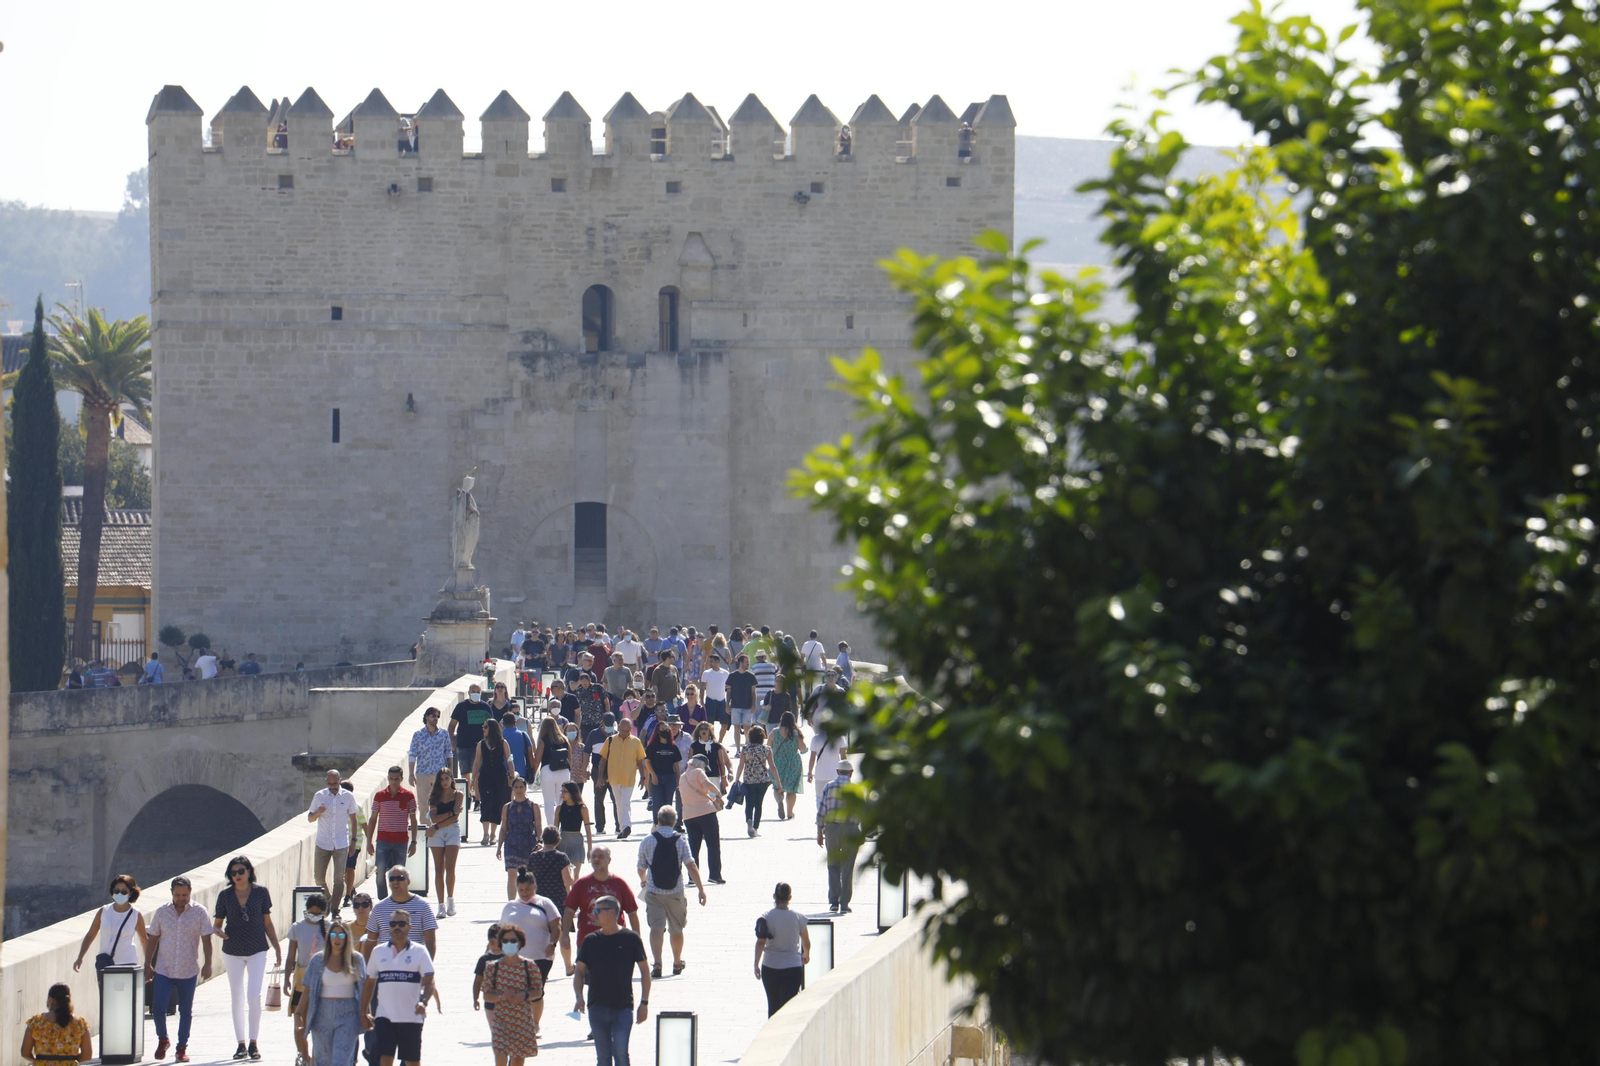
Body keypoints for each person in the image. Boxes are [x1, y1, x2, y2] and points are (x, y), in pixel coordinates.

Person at [212, 855, 282, 1062]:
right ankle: (240, 1043)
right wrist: (218, 931)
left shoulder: (260, 893)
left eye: (240, 871)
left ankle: (254, 1042)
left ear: (249, 872)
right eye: (233, 873)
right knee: (237, 996)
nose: (237, 876)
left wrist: (277, 947)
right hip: (232, 950)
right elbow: (217, 923)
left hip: (257, 948)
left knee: (253, 995)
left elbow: (267, 922)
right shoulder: (225, 896)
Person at [572, 895, 650, 1066]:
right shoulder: (591, 940)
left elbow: (645, 971)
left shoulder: (630, 938)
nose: (594, 914)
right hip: (597, 1006)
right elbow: (579, 971)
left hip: (623, 1006)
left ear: (612, 912)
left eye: (597, 911)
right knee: (603, 1057)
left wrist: (644, 1003)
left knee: (621, 1053)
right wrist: (579, 996)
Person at [145, 875, 214, 1062]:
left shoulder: (200, 912)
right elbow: (152, 938)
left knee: (185, 1010)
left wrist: (208, 963)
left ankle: (181, 1048)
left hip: (188, 969)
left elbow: (207, 939)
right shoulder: (161, 912)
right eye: (177, 895)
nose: (181, 898)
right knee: (158, 1007)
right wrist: (147, 964)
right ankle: (162, 1039)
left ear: (190, 892)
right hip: (164, 969)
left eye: (184, 894)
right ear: (171, 894)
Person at [634, 806, 707, 979]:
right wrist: (701, 889)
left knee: (656, 928)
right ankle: (676, 962)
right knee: (677, 928)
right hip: (676, 891)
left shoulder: (647, 840)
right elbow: (691, 865)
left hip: (653, 891)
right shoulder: (680, 840)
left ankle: (657, 963)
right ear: (675, 822)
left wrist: (643, 880)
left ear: (658, 821)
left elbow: (641, 867)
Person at [360, 909, 434, 1066]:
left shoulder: (419, 952)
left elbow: (430, 980)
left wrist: (424, 1001)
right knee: (385, 1059)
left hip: (411, 1017)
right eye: (393, 924)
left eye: (401, 924)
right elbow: (369, 983)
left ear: (410, 927)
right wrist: (363, 1012)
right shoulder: (378, 952)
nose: (397, 927)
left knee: (412, 1061)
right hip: (384, 1017)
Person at [296, 917, 366, 1066]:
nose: (337, 939)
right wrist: (298, 1014)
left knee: (341, 1061)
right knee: (323, 1061)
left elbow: (364, 989)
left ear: (347, 937)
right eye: (334, 935)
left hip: (348, 1015)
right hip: (322, 1014)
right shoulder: (317, 960)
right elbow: (307, 989)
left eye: (341, 935)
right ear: (329, 938)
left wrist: (366, 1013)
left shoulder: (357, 959)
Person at [72, 873, 148, 982]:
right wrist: (80, 957)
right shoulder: (104, 911)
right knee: (106, 998)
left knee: (125, 998)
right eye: (116, 891)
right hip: (106, 964)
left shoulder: (136, 915)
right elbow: (90, 935)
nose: (120, 894)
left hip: (127, 963)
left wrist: (148, 964)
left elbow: (144, 940)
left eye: (124, 891)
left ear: (131, 893)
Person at [484, 925, 542, 1065]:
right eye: (505, 940)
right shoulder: (493, 967)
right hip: (501, 1021)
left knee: (517, 1058)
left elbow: (538, 991)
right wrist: (501, 997)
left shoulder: (530, 966)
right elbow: (487, 995)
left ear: (520, 942)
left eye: (513, 940)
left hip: (522, 1020)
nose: (508, 943)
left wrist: (524, 995)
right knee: (500, 1054)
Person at [753, 882, 811, 1016]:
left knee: (773, 1006)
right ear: (790, 897)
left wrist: (756, 963)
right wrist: (806, 953)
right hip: (792, 966)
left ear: (774, 896)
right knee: (789, 1008)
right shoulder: (798, 917)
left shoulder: (766, 917)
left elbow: (761, 942)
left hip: (770, 966)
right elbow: (806, 940)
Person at [284, 892, 328, 1065]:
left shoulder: (331, 928)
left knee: (317, 1023)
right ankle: (304, 1056)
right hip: (301, 979)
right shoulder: (297, 927)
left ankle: (317, 1058)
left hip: (322, 980)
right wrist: (287, 978)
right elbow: (291, 956)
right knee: (298, 1021)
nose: (314, 915)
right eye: (311, 911)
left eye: (318, 913)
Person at [500, 867, 563, 987]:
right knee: (518, 991)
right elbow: (500, 931)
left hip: (541, 957)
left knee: (536, 993)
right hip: (514, 958)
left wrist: (553, 944)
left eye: (528, 889)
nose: (524, 893)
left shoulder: (545, 903)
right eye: (521, 890)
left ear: (535, 886)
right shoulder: (510, 906)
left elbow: (556, 926)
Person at [308, 768, 361, 907]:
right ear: (326, 782)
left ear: (340, 781)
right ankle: (329, 899)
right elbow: (310, 818)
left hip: (341, 842)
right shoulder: (319, 796)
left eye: (335, 784)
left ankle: (334, 909)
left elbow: (354, 820)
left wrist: (353, 842)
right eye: (329, 784)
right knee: (319, 878)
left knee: (338, 879)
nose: (332, 787)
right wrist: (318, 812)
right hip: (322, 842)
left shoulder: (348, 796)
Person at [529, 825, 578, 972]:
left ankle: (541, 968)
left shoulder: (534, 857)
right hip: (558, 900)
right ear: (558, 840)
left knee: (541, 936)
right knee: (564, 935)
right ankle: (569, 966)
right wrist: (573, 872)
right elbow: (568, 881)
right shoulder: (561, 857)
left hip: (539, 901)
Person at [365, 767, 419, 900]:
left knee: (399, 874)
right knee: (380, 871)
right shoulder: (380, 796)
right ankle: (383, 900)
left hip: (401, 840)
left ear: (401, 779)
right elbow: (373, 819)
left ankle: (398, 898)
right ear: (388, 779)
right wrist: (369, 842)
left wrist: (414, 842)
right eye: (391, 779)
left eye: (396, 779)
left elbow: (413, 819)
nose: (393, 782)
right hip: (383, 839)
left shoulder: (408, 796)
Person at [817, 760, 862, 913]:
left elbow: (822, 810)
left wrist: (819, 832)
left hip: (832, 829)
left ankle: (834, 901)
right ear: (851, 772)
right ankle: (844, 903)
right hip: (850, 829)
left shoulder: (829, 787)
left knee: (833, 864)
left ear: (837, 772)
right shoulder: (857, 789)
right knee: (848, 867)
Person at [366, 867, 439, 960]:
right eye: (392, 879)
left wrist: (427, 966)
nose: (395, 882)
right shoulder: (379, 908)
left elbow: (430, 940)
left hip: (414, 964)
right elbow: (371, 941)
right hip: (386, 965)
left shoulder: (423, 906)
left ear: (408, 881)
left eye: (400, 878)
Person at [600, 717, 650, 839]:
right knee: (618, 803)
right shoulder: (610, 740)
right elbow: (603, 759)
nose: (625, 733)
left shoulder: (636, 741)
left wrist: (642, 777)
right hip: (614, 777)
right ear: (619, 728)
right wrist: (600, 777)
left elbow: (640, 760)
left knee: (625, 802)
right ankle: (623, 828)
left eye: (627, 731)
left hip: (629, 778)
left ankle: (626, 826)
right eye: (622, 730)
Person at [679, 754, 725, 885]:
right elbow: (708, 784)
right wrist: (718, 793)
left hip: (688, 816)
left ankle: (692, 877)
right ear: (700, 764)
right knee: (713, 844)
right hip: (705, 812)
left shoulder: (682, 777)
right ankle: (715, 875)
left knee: (693, 847)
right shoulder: (698, 772)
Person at [449, 682, 493, 821]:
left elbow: (492, 725)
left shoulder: (485, 707)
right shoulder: (461, 707)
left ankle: (477, 799)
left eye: (478, 691)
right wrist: (452, 741)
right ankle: (467, 797)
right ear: (469, 693)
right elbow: (452, 725)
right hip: (463, 745)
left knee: (477, 773)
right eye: (473, 691)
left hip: (480, 746)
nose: (476, 693)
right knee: (465, 773)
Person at [20, 983, 92, 1065]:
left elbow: (25, 1053)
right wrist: (69, 1060)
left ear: (51, 1001)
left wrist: (38, 1061)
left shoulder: (36, 1022)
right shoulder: (80, 1024)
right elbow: (87, 1055)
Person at [425, 774, 463, 918]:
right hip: (437, 833)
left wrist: (436, 826)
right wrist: (451, 811)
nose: (444, 782)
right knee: (438, 870)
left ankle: (450, 900)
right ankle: (441, 905)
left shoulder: (458, 795)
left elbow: (455, 817)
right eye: (441, 779)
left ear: (451, 780)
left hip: (452, 830)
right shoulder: (434, 796)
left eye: (447, 778)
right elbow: (434, 817)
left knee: (450, 868)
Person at [498, 775, 543, 898]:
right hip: (511, 843)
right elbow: (503, 828)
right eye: (516, 787)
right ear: (512, 789)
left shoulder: (533, 806)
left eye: (521, 787)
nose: (519, 790)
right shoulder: (507, 807)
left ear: (525, 788)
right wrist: (499, 847)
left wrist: (540, 841)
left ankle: (529, 901)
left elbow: (538, 826)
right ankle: (512, 904)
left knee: (528, 876)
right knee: (511, 874)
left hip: (528, 844)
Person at [474, 719, 516, 847]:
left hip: (500, 776)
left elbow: (509, 760)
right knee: (486, 803)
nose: (483, 729)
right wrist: (473, 778)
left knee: (498, 803)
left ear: (491, 728)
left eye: (485, 727)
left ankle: (493, 834)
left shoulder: (503, 743)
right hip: (485, 776)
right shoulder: (481, 744)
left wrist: (512, 776)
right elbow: (477, 762)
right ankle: (485, 834)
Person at [406, 707, 453, 821]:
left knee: (440, 802)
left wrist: (450, 773)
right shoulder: (418, 735)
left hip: (439, 774)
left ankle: (439, 828)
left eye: (437, 716)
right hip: (423, 773)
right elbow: (412, 754)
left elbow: (448, 752)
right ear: (426, 717)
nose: (435, 718)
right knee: (424, 805)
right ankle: (425, 832)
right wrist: (411, 774)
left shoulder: (443, 734)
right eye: (433, 716)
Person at [736, 725, 777, 837]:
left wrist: (736, 779)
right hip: (763, 780)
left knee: (749, 803)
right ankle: (755, 828)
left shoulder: (745, 748)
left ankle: (749, 820)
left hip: (749, 779)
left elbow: (740, 765)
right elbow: (772, 766)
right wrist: (778, 781)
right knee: (759, 803)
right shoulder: (767, 749)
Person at [533, 716, 573, 821]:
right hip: (563, 771)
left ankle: (551, 826)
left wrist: (533, 773)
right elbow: (570, 758)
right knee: (562, 800)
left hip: (548, 770)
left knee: (549, 802)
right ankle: (561, 825)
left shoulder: (543, 741)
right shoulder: (564, 739)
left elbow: (537, 759)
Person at [772, 711, 806, 821]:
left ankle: (779, 802)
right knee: (791, 790)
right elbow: (803, 749)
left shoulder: (775, 732)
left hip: (778, 762)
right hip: (793, 763)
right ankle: (790, 812)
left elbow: (768, 746)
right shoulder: (795, 733)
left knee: (777, 786)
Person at [643, 720, 682, 815]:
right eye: (662, 729)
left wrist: (679, 779)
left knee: (668, 804)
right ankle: (657, 824)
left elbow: (676, 764)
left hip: (670, 778)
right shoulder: (652, 746)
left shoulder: (673, 747)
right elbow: (647, 762)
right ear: (658, 731)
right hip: (657, 777)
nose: (665, 731)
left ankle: (668, 825)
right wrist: (653, 775)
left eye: (666, 729)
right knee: (657, 803)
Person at [807, 729, 849, 814]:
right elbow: (843, 757)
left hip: (820, 774)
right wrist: (846, 772)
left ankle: (821, 818)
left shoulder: (816, 738)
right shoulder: (840, 738)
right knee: (836, 797)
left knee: (819, 797)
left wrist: (810, 773)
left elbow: (812, 758)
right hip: (836, 774)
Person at [555, 780, 593, 872]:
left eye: (565, 791)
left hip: (577, 843)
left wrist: (590, 850)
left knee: (575, 875)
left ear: (572, 792)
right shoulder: (559, 808)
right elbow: (555, 829)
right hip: (562, 842)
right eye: (561, 791)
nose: (562, 794)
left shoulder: (582, 808)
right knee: (564, 875)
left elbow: (588, 830)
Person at [726, 655, 759, 750]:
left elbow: (753, 692)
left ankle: (747, 748)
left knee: (747, 728)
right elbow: (729, 692)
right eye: (746, 662)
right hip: (735, 706)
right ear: (740, 663)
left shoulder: (751, 676)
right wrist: (727, 705)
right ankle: (737, 749)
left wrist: (754, 705)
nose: (748, 663)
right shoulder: (732, 676)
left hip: (747, 706)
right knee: (736, 728)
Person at [472, 923, 503, 1019]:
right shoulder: (484, 959)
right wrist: (475, 998)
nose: (496, 946)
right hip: (490, 1000)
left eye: (499, 943)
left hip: (509, 1001)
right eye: (492, 943)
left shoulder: (509, 957)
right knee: (495, 1030)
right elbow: (477, 981)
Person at [690, 720, 732, 789]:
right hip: (698, 777)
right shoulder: (694, 746)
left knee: (714, 798)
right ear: (698, 731)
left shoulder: (717, 746)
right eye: (701, 729)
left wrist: (723, 777)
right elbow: (690, 763)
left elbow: (721, 763)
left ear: (710, 731)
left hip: (714, 776)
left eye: (706, 728)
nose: (704, 730)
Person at [501, 709, 533, 781]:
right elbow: (530, 754)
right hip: (521, 772)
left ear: (503, 723)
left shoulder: (499, 736)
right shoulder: (523, 735)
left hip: (503, 772)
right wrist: (532, 770)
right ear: (515, 722)